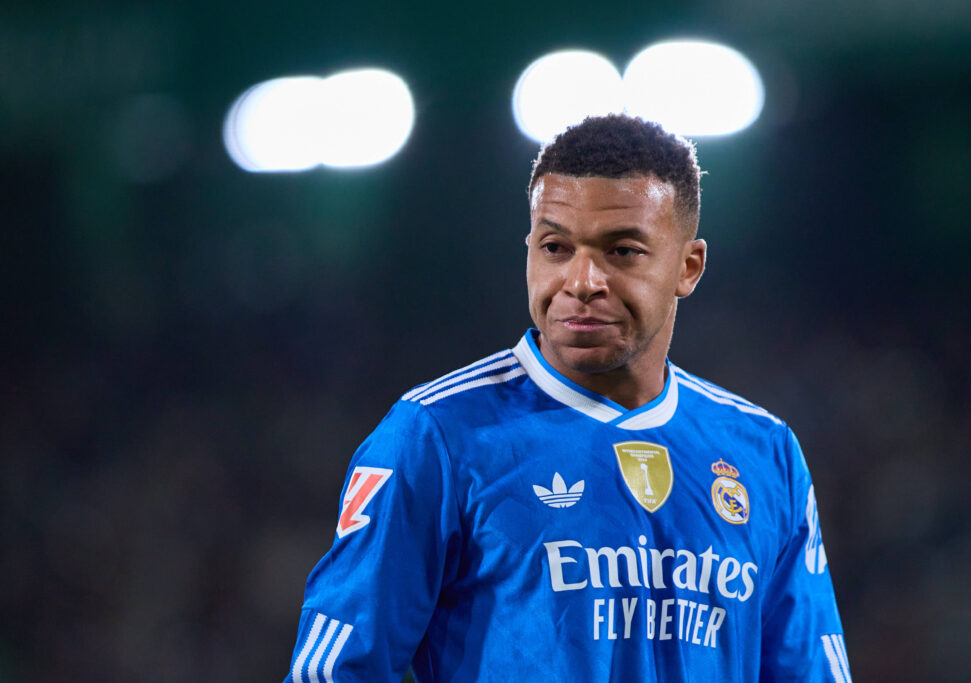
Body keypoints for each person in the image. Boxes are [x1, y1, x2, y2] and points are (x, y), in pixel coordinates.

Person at [283, 114, 850, 682]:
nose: (582, 281)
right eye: (556, 247)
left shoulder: (765, 452)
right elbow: (334, 672)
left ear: (688, 266)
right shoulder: (437, 436)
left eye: (622, 252)